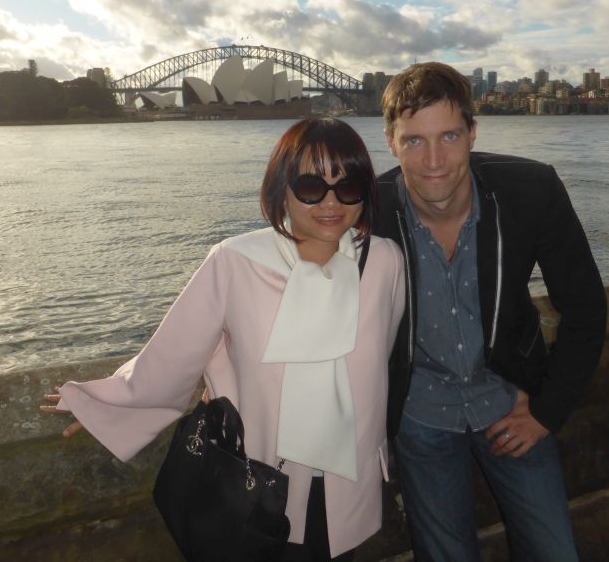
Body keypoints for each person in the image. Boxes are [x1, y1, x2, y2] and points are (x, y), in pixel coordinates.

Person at [42, 117, 405, 561]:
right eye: (311, 186)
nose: (330, 202)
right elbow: (175, 353)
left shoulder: (384, 261)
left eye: (347, 186)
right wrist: (104, 404)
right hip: (262, 478)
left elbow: (381, 355)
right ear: (281, 189)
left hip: (348, 476)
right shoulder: (235, 261)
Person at [374, 63, 607, 561]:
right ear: (390, 142)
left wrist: (546, 412)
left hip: (508, 400)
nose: (434, 160)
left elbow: (586, 306)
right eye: (414, 141)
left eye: (449, 136)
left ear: (473, 133)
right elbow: (299, 279)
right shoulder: (367, 212)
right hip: (419, 415)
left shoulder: (530, 190)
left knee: (555, 552)